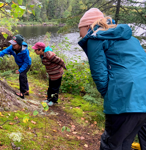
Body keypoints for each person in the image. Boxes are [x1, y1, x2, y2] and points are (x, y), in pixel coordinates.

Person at [78, 8, 146, 150]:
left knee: (111, 144)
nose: (80, 35)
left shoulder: (95, 38)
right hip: (142, 99)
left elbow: (99, 74)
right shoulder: (130, 38)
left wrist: (109, 96)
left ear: (87, 26)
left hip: (123, 98)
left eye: (80, 31)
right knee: (125, 143)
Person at [0, 34, 31, 99]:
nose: (13, 45)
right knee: (24, 76)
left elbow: (26, 62)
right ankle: (27, 90)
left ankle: (22, 93)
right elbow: (1, 53)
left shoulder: (25, 51)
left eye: (14, 44)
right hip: (20, 64)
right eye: (12, 43)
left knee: (22, 76)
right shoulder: (11, 48)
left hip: (27, 64)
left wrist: (20, 70)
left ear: (19, 44)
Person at [32, 42, 66, 106]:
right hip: (51, 74)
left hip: (57, 74)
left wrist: (64, 67)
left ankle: (54, 101)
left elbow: (60, 61)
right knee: (50, 87)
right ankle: (49, 99)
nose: (34, 51)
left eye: (36, 49)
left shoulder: (50, 55)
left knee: (55, 88)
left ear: (41, 49)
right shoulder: (42, 55)